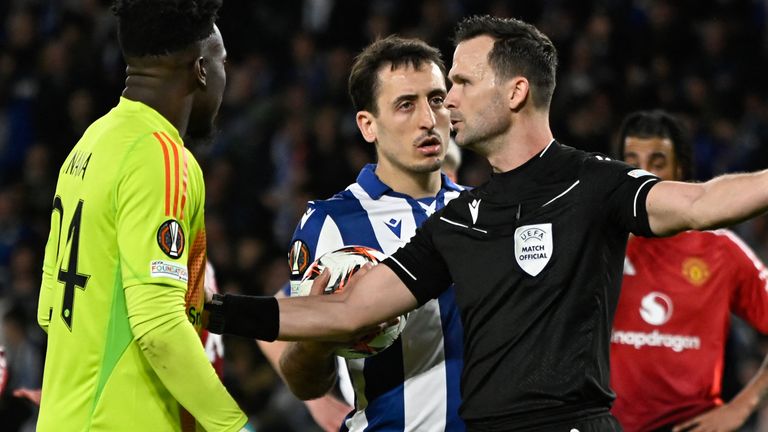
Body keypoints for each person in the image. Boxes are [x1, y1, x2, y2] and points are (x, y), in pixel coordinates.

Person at [205, 15, 768, 431]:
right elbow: (347, 309)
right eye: (412, 103)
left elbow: (699, 203)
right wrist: (215, 310)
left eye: (456, 86)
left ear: (516, 92)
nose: (443, 108)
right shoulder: (463, 218)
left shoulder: (589, 183)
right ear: (367, 125)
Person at [35, 1, 248, 431]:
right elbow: (159, 324)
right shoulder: (162, 156)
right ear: (201, 68)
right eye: (223, 61)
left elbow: (48, 308)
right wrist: (233, 426)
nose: (227, 76)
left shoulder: (91, 142)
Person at [257, 35, 466, 432]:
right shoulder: (331, 224)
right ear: (368, 125)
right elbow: (302, 374)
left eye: (436, 100)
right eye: (406, 104)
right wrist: (318, 351)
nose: (428, 119)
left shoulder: (486, 209)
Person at [610, 110, 768, 432]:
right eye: (631, 161)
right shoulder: (598, 245)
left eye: (656, 163)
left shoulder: (721, 251)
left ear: (679, 171)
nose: (642, 174)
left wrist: (743, 405)